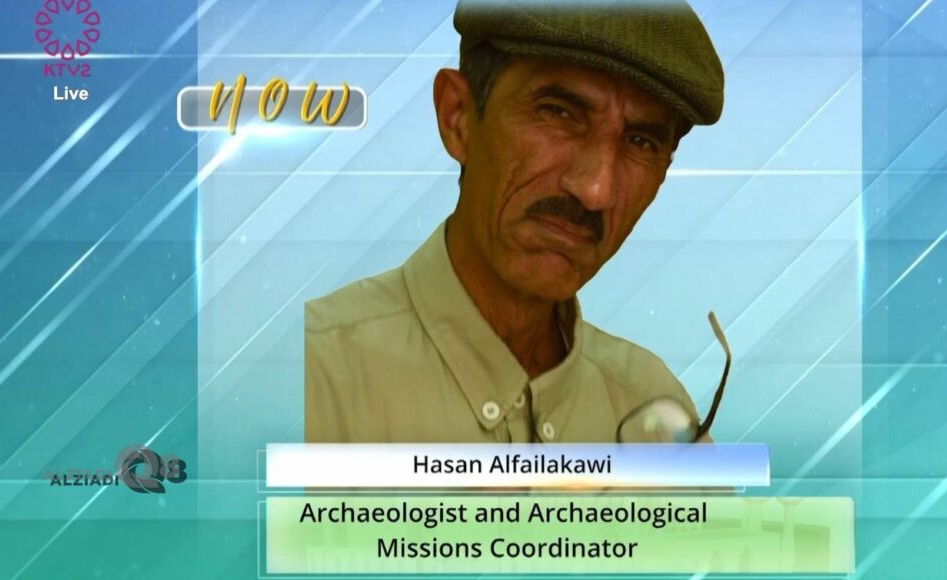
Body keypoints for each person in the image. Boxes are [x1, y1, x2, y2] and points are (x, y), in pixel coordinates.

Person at [305, 0, 724, 443]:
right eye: (558, 113)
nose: (596, 190)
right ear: (458, 117)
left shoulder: (651, 402)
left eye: (640, 142)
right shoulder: (314, 378)